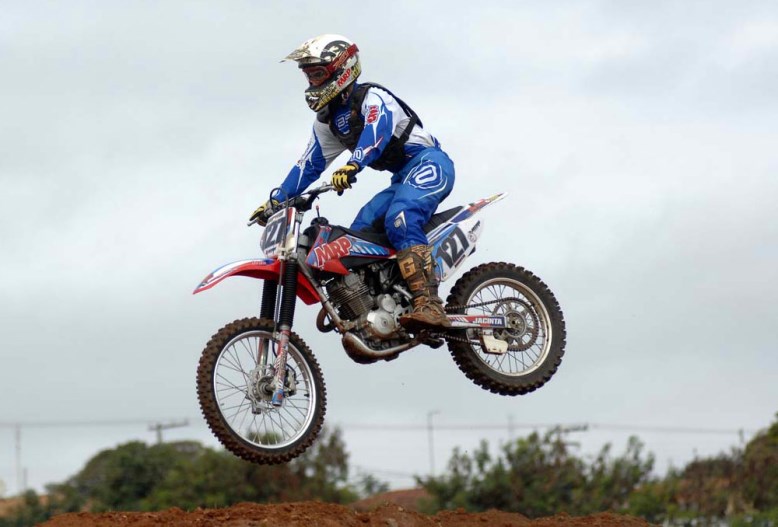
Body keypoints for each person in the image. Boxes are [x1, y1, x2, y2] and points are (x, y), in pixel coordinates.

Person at [249, 34, 455, 330]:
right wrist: (275, 201)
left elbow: (377, 132)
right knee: (358, 237)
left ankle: (429, 304)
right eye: (309, 75)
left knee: (401, 218)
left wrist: (354, 163)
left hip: (429, 164)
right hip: (401, 179)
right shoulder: (329, 121)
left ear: (342, 69)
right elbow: (308, 165)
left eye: (318, 74)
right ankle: (377, 310)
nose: (312, 82)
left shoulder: (374, 98)